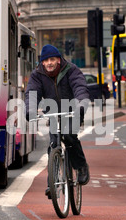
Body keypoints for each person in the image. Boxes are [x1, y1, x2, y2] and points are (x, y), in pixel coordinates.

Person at [25, 44, 90, 198]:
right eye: (46, 60)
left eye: (52, 59)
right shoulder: (37, 75)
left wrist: (80, 105)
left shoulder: (71, 70)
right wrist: (30, 110)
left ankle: (81, 167)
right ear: (42, 62)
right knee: (54, 144)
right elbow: (32, 94)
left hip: (73, 110)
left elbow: (80, 88)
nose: (49, 63)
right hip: (54, 113)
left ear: (59, 60)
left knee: (68, 136)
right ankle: (52, 183)